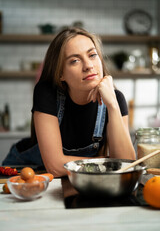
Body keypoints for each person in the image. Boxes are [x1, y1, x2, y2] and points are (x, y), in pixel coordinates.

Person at [2, 27, 136, 176]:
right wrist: (105, 163)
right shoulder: (47, 93)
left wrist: (112, 105)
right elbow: (54, 166)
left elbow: (127, 166)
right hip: (24, 170)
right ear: (60, 74)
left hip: (76, 176)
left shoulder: (115, 99)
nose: (89, 66)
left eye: (92, 55)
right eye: (75, 61)